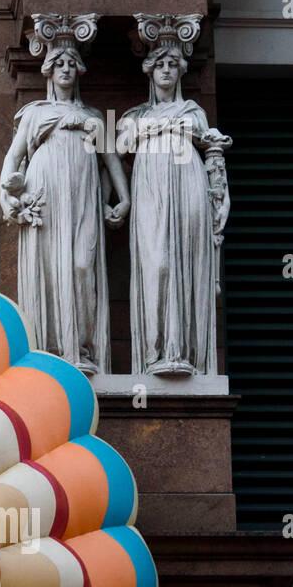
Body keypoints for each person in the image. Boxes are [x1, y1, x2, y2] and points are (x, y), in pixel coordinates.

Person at [0, 40, 128, 375]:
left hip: (84, 194)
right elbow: (14, 158)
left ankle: (83, 347)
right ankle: (56, 348)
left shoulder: (93, 116)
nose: (66, 70)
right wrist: (8, 195)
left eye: (72, 64)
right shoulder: (35, 113)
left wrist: (123, 198)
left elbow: (111, 159)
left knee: (83, 265)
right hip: (47, 189)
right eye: (60, 64)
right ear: (50, 71)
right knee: (51, 265)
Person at [123, 41, 227, 376]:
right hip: (151, 187)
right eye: (160, 64)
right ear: (149, 70)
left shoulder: (194, 111)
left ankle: (183, 351)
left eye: (172, 64)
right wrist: (163, 128)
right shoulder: (135, 115)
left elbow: (210, 143)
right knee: (159, 263)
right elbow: (124, 141)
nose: (166, 70)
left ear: (181, 71)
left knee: (185, 260)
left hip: (187, 184)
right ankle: (156, 351)